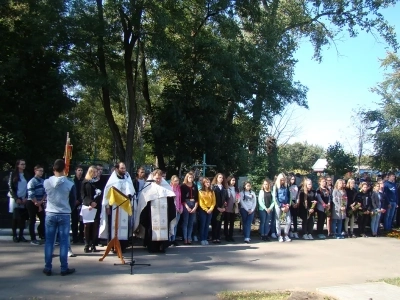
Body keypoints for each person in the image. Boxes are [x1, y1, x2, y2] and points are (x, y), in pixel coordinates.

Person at [43, 159, 76, 276]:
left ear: (53, 169)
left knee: (49, 242)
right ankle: (63, 268)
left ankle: (47, 267)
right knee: (63, 242)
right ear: (64, 169)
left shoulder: (46, 182)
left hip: (50, 213)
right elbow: (73, 200)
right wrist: (68, 209)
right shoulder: (70, 184)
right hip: (64, 214)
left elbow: (45, 195)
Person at [134, 169, 176, 253]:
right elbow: (143, 202)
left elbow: (171, 201)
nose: (158, 180)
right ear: (153, 177)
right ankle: (152, 247)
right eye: (156, 178)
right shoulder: (148, 187)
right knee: (151, 230)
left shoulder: (166, 187)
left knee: (164, 229)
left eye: (160, 178)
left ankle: (162, 247)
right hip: (151, 215)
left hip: (164, 215)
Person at [99, 162, 135, 252]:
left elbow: (131, 191)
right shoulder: (112, 180)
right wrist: (107, 207)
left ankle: (123, 246)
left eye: (124, 168)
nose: (124, 170)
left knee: (124, 225)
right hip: (114, 207)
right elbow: (107, 195)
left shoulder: (127, 178)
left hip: (125, 206)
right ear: (117, 169)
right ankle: (113, 246)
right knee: (113, 226)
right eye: (122, 168)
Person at [81, 166, 102, 253]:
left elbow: (101, 193)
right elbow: (83, 195)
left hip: (96, 206)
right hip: (87, 206)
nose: (95, 173)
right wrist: (90, 203)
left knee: (95, 225)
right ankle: (87, 244)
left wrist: (95, 203)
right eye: (93, 172)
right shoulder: (85, 182)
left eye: (96, 172)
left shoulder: (98, 182)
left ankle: (94, 244)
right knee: (87, 226)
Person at [8, 159, 29, 243]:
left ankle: (21, 235)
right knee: (15, 218)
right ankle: (14, 235)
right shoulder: (13, 174)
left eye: (24, 164)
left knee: (23, 218)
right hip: (15, 198)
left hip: (24, 198)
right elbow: (11, 187)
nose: (23, 165)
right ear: (18, 165)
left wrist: (26, 197)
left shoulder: (26, 175)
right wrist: (16, 198)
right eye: (22, 164)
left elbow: (29, 187)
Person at [27, 165, 46, 245]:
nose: (41, 172)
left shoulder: (43, 181)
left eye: (42, 171)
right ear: (35, 171)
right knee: (32, 220)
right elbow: (31, 194)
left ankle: (42, 234)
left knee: (44, 220)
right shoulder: (32, 181)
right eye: (39, 170)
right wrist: (37, 204)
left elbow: (45, 192)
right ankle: (33, 238)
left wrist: (41, 202)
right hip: (32, 203)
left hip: (40, 202)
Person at [180, 172, 199, 245]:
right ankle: (185, 238)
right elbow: (182, 198)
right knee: (186, 222)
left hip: (193, 203)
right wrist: (187, 207)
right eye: (189, 177)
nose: (191, 179)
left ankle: (189, 238)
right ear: (187, 178)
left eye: (192, 177)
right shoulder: (183, 186)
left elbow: (197, 198)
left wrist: (195, 207)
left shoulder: (195, 186)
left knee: (191, 223)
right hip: (186, 204)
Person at [273, 173, 291, 242]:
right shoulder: (276, 186)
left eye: (284, 180)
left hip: (286, 205)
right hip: (279, 205)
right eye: (281, 180)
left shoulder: (287, 186)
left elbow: (289, 196)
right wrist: (281, 206)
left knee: (288, 220)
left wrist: (288, 204)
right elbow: (275, 197)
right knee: (278, 221)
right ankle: (279, 235)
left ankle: (286, 234)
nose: (282, 181)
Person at [211, 173, 229, 243]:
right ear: (216, 178)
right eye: (219, 177)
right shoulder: (213, 187)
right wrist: (217, 207)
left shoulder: (224, 188)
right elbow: (212, 199)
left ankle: (218, 237)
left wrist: (224, 207)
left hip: (222, 208)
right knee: (215, 223)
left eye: (222, 178)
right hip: (215, 208)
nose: (221, 179)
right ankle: (214, 237)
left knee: (219, 223)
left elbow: (226, 198)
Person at [198, 178, 216, 245]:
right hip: (203, 210)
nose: (208, 183)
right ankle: (202, 238)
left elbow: (214, 201)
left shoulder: (212, 191)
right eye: (206, 182)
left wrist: (211, 208)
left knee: (207, 225)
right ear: (204, 183)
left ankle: (205, 238)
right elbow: (201, 202)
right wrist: (206, 209)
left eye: (209, 182)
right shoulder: (200, 191)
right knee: (203, 224)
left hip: (210, 209)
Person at [72, 165, 84, 244]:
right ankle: (74, 237)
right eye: (79, 170)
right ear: (76, 171)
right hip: (73, 203)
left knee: (82, 222)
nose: (80, 172)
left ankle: (81, 237)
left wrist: (80, 200)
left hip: (82, 202)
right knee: (74, 221)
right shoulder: (72, 180)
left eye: (81, 170)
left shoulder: (83, 180)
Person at [170, 175, 183, 246]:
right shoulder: (170, 188)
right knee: (171, 225)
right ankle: (170, 239)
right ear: (172, 181)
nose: (176, 182)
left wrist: (181, 207)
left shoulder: (178, 188)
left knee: (175, 225)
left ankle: (173, 239)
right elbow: (171, 201)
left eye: (177, 181)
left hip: (178, 208)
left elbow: (180, 199)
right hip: (173, 209)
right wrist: (176, 208)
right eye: (175, 181)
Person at [225, 176, 239, 242]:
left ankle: (231, 235)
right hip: (228, 207)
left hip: (234, 206)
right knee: (226, 221)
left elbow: (238, 196)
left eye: (234, 180)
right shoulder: (227, 188)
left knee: (232, 222)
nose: (233, 182)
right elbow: (227, 196)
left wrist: (237, 200)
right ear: (229, 181)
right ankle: (226, 235)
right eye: (232, 180)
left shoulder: (236, 189)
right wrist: (228, 189)